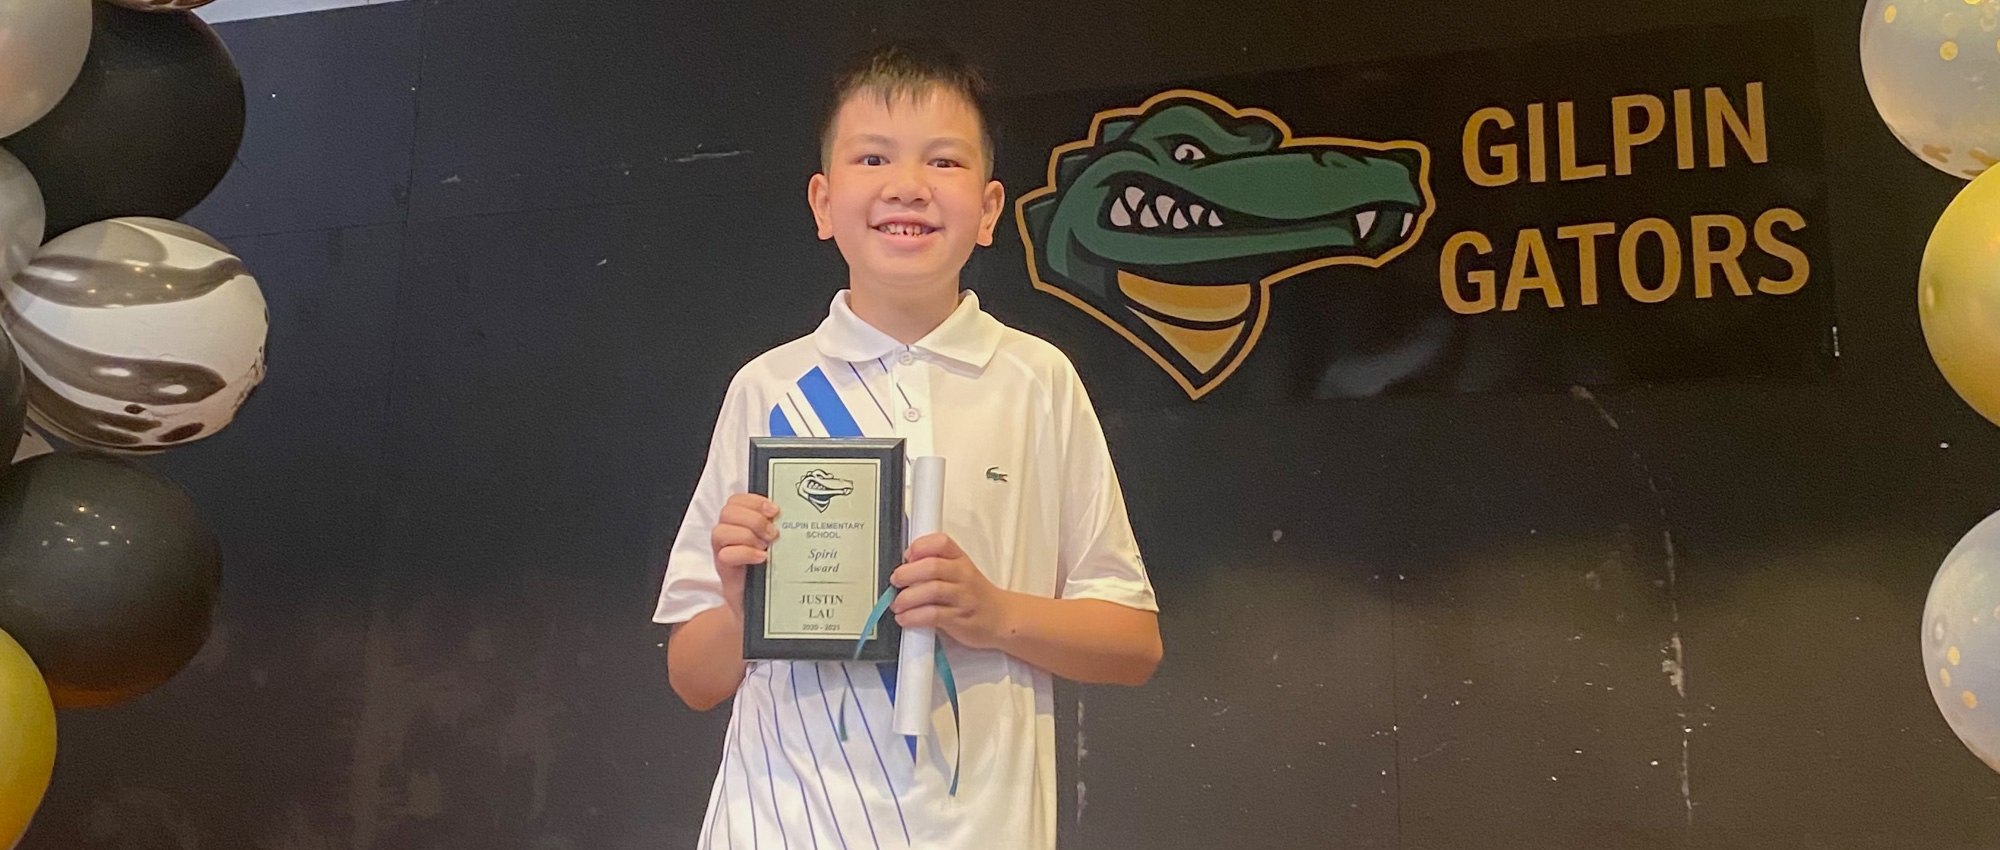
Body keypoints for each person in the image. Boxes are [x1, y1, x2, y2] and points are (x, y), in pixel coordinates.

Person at [653, 40, 1161, 850]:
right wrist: (737, 599)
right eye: (873, 157)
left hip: (983, 830)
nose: (908, 186)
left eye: (945, 162)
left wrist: (995, 615)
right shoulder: (768, 390)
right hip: (775, 826)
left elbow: (1133, 643)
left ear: (991, 210)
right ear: (823, 203)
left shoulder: (1037, 381)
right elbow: (694, 678)